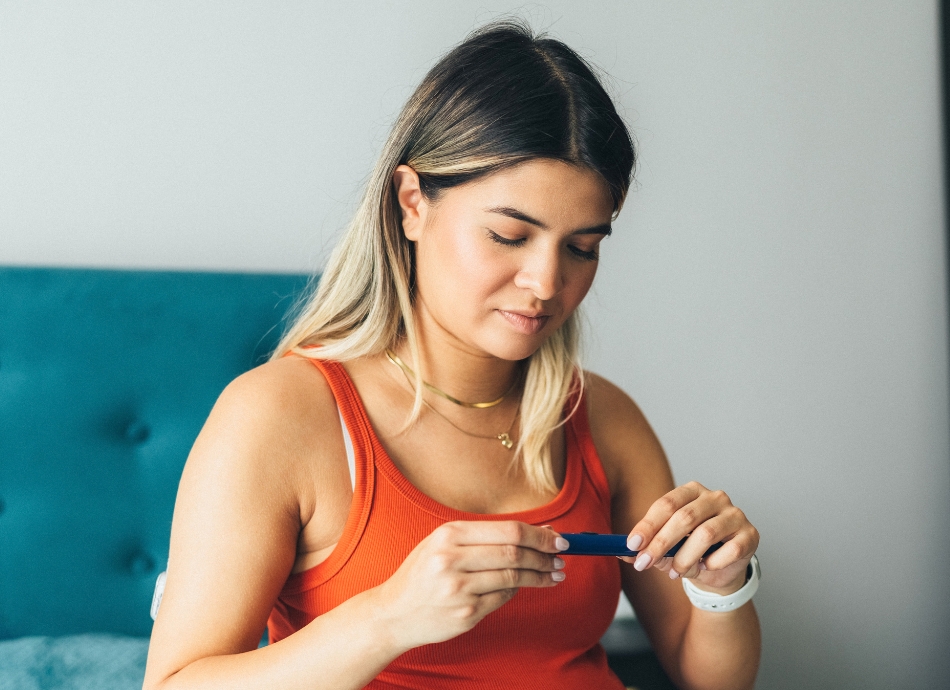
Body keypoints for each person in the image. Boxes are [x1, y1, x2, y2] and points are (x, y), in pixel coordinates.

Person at [143, 20, 761, 690]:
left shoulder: (603, 418)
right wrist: (387, 618)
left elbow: (711, 679)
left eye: (582, 248)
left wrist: (723, 584)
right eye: (509, 236)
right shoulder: (279, 415)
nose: (547, 282)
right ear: (412, 203)